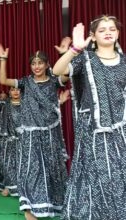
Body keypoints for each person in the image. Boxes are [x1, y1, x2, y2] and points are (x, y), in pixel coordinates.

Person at [53, 15, 126, 220]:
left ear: (118, 33)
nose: (108, 32)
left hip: (121, 131)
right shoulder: (85, 60)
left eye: (112, 28)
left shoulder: (125, 62)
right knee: (100, 176)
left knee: (120, 175)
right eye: (102, 30)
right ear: (92, 36)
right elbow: (57, 71)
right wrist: (75, 49)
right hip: (94, 130)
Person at [0, 43, 69, 219]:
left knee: (52, 169)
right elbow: (4, 81)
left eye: (40, 63)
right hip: (29, 134)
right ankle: (29, 209)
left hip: (50, 132)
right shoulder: (25, 82)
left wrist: (67, 53)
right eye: (33, 63)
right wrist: (3, 59)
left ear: (46, 64)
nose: (36, 66)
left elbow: (67, 74)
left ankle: (52, 205)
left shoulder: (53, 80)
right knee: (30, 169)